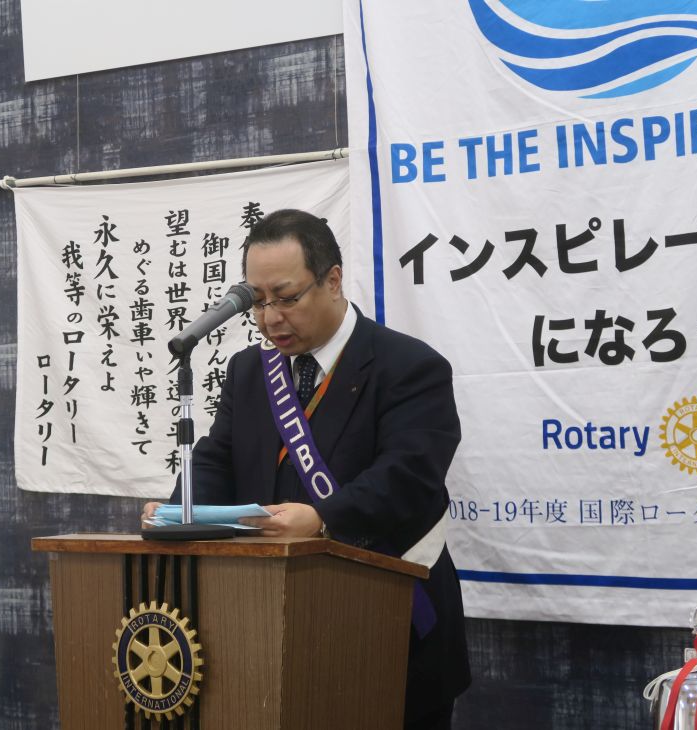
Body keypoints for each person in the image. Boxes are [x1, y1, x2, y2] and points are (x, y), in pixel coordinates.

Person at [143, 208, 470, 728]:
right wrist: (180, 511)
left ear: (332, 280)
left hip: (390, 624)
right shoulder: (249, 371)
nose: (270, 318)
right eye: (257, 300)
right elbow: (217, 457)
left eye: (287, 297)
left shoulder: (408, 365)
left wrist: (322, 518)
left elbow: (409, 475)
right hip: (267, 623)